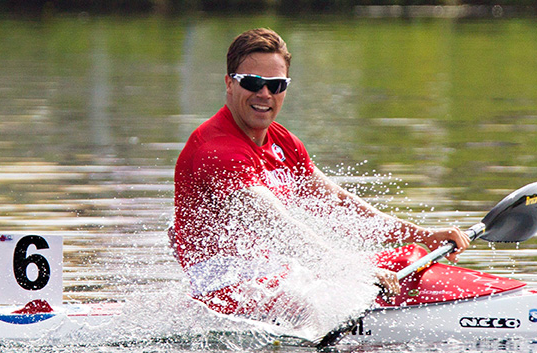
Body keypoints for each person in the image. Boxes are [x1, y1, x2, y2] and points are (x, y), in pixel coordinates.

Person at [172, 28, 469, 325]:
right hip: (223, 291)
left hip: (274, 276)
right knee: (304, 307)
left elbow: (338, 203)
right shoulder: (217, 150)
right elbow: (277, 225)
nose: (264, 94)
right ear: (229, 84)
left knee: (410, 258)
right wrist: (351, 271)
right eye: (253, 82)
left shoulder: (284, 143)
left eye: (275, 85)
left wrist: (424, 235)